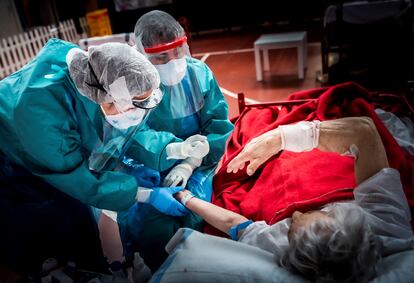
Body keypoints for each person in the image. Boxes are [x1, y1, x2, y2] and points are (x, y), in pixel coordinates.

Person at [0, 39, 188, 275]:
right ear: (108, 100)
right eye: (133, 108)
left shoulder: (97, 71)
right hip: (10, 163)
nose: (135, 116)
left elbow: (120, 128)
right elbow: (79, 180)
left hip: (42, 139)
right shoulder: (42, 118)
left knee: (80, 225)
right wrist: (144, 194)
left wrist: (173, 149)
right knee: (49, 230)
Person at [174, 117, 414, 282]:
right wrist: (283, 137)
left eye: (291, 227)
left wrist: (186, 198)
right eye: (326, 213)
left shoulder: (277, 244)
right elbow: (364, 131)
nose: (297, 213)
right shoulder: (387, 222)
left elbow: (233, 223)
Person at [118, 10, 234, 270]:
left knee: (194, 215)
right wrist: (173, 150)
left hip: (199, 160)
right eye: (160, 57)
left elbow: (217, 125)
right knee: (154, 231)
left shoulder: (198, 74)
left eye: (177, 51)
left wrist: (190, 161)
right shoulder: (132, 83)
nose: (172, 61)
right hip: (148, 164)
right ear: (142, 55)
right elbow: (131, 135)